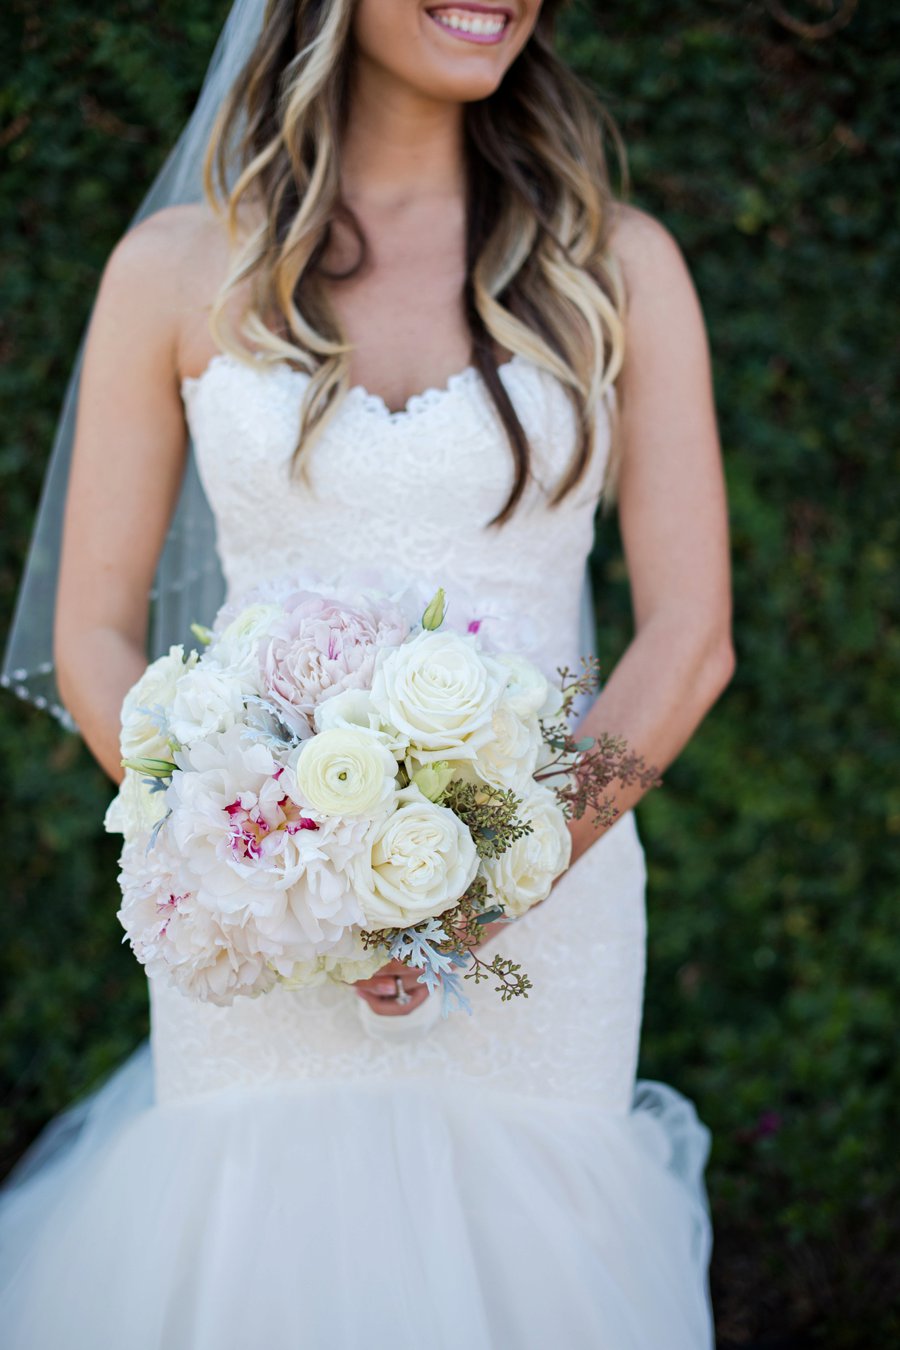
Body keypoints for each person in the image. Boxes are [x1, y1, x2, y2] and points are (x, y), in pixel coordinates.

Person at [0, 1, 734, 1345]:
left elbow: (691, 638)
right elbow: (93, 635)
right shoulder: (174, 270)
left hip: (547, 926)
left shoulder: (617, 264)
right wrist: (252, 848)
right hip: (264, 929)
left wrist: (498, 872)